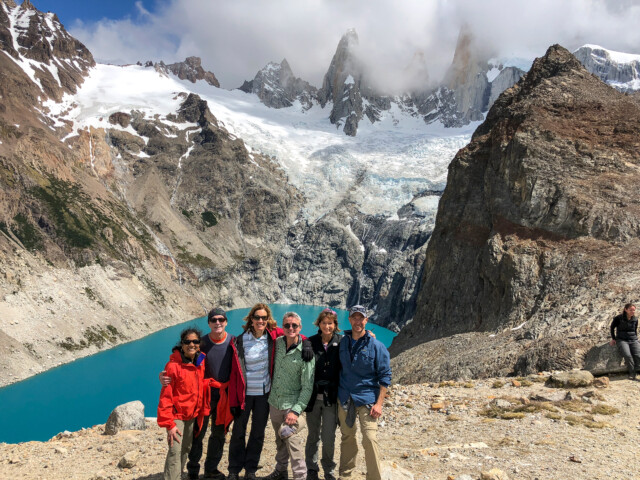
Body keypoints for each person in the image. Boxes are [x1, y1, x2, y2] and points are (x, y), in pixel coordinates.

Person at [160, 308, 235, 480]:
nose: (218, 323)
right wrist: (164, 374)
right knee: (197, 435)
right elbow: (182, 364)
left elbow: (194, 365)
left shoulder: (233, 342)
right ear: (208, 322)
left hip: (223, 396)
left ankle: (211, 469)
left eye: (221, 319)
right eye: (214, 320)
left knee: (218, 434)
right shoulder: (202, 344)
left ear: (226, 321)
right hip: (203, 399)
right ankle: (193, 471)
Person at [226, 304, 281, 480]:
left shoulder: (272, 337)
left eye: (264, 318)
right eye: (257, 317)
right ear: (251, 319)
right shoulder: (240, 341)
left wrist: (308, 342)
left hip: (264, 395)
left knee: (258, 433)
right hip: (245, 395)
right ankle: (234, 469)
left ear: (268, 320)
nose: (260, 321)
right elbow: (235, 374)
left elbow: (294, 332)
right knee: (238, 432)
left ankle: (250, 469)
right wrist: (234, 401)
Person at [337, 305, 391, 480]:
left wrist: (379, 403)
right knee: (347, 438)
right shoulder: (342, 342)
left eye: (361, 318)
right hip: (345, 397)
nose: (358, 321)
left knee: (369, 438)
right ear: (350, 320)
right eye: (354, 317)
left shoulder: (377, 346)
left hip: (368, 400)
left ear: (366, 320)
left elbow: (385, 375)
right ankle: (345, 476)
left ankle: (374, 477)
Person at [262, 312, 315, 480]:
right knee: (280, 440)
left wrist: (296, 411)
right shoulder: (276, 344)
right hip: (275, 402)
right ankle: (281, 471)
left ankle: (300, 475)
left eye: (294, 326)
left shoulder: (306, 353)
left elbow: (307, 387)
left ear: (300, 328)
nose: (290, 328)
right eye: (287, 325)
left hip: (292, 405)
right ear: (282, 327)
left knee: (288, 434)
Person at [158, 327, 210, 480]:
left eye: (195, 341)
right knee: (175, 451)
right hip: (177, 416)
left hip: (192, 415)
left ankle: (177, 475)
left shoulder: (200, 360)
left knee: (185, 448)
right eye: (188, 342)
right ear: (182, 344)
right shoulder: (173, 366)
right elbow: (166, 397)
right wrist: (169, 424)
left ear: (199, 344)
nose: (191, 344)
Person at [304, 308, 343, 480]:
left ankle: (328, 469)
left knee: (328, 437)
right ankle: (311, 469)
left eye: (330, 323)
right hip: (313, 397)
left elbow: (357, 340)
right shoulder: (310, 342)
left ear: (335, 325)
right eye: (324, 322)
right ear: (318, 324)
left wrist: (369, 336)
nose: (327, 326)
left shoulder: (342, 342)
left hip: (331, 398)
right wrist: (304, 343)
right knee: (313, 435)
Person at [610, 303, 640, 380]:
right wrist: (613, 338)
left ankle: (638, 370)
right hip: (622, 340)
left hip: (633, 339)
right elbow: (612, 328)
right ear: (625, 309)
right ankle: (632, 372)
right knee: (627, 355)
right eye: (630, 310)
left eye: (633, 310)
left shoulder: (635, 319)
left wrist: (636, 340)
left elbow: (634, 330)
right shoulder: (618, 318)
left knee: (638, 355)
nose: (632, 311)